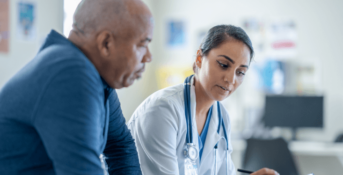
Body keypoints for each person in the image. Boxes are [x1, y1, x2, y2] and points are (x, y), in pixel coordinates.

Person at [0, 0, 153, 174]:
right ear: (106, 43)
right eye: (142, 45)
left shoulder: (95, 76)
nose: (148, 57)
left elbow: (120, 146)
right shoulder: (69, 72)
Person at [127, 25, 279, 175]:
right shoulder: (163, 110)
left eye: (240, 72)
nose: (230, 79)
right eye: (224, 65)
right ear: (199, 58)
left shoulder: (222, 118)